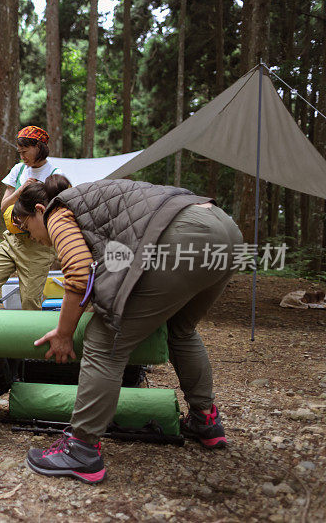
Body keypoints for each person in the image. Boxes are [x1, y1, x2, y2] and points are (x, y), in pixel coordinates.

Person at [12, 178, 243, 484]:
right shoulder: (91, 202)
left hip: (184, 233)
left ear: (39, 210)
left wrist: (64, 332)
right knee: (180, 329)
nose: (33, 239)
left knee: (105, 338)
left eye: (28, 229)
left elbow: (79, 274)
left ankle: (80, 450)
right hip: (224, 228)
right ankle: (205, 420)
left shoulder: (57, 211)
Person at [0, 126, 67, 311]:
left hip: (38, 245)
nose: (22, 156)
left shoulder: (55, 174)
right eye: (20, 152)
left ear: (39, 147)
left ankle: (30, 339)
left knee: (30, 301)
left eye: (25, 151)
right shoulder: (18, 170)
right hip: (12, 239)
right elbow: (4, 206)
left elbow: (58, 211)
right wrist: (21, 189)